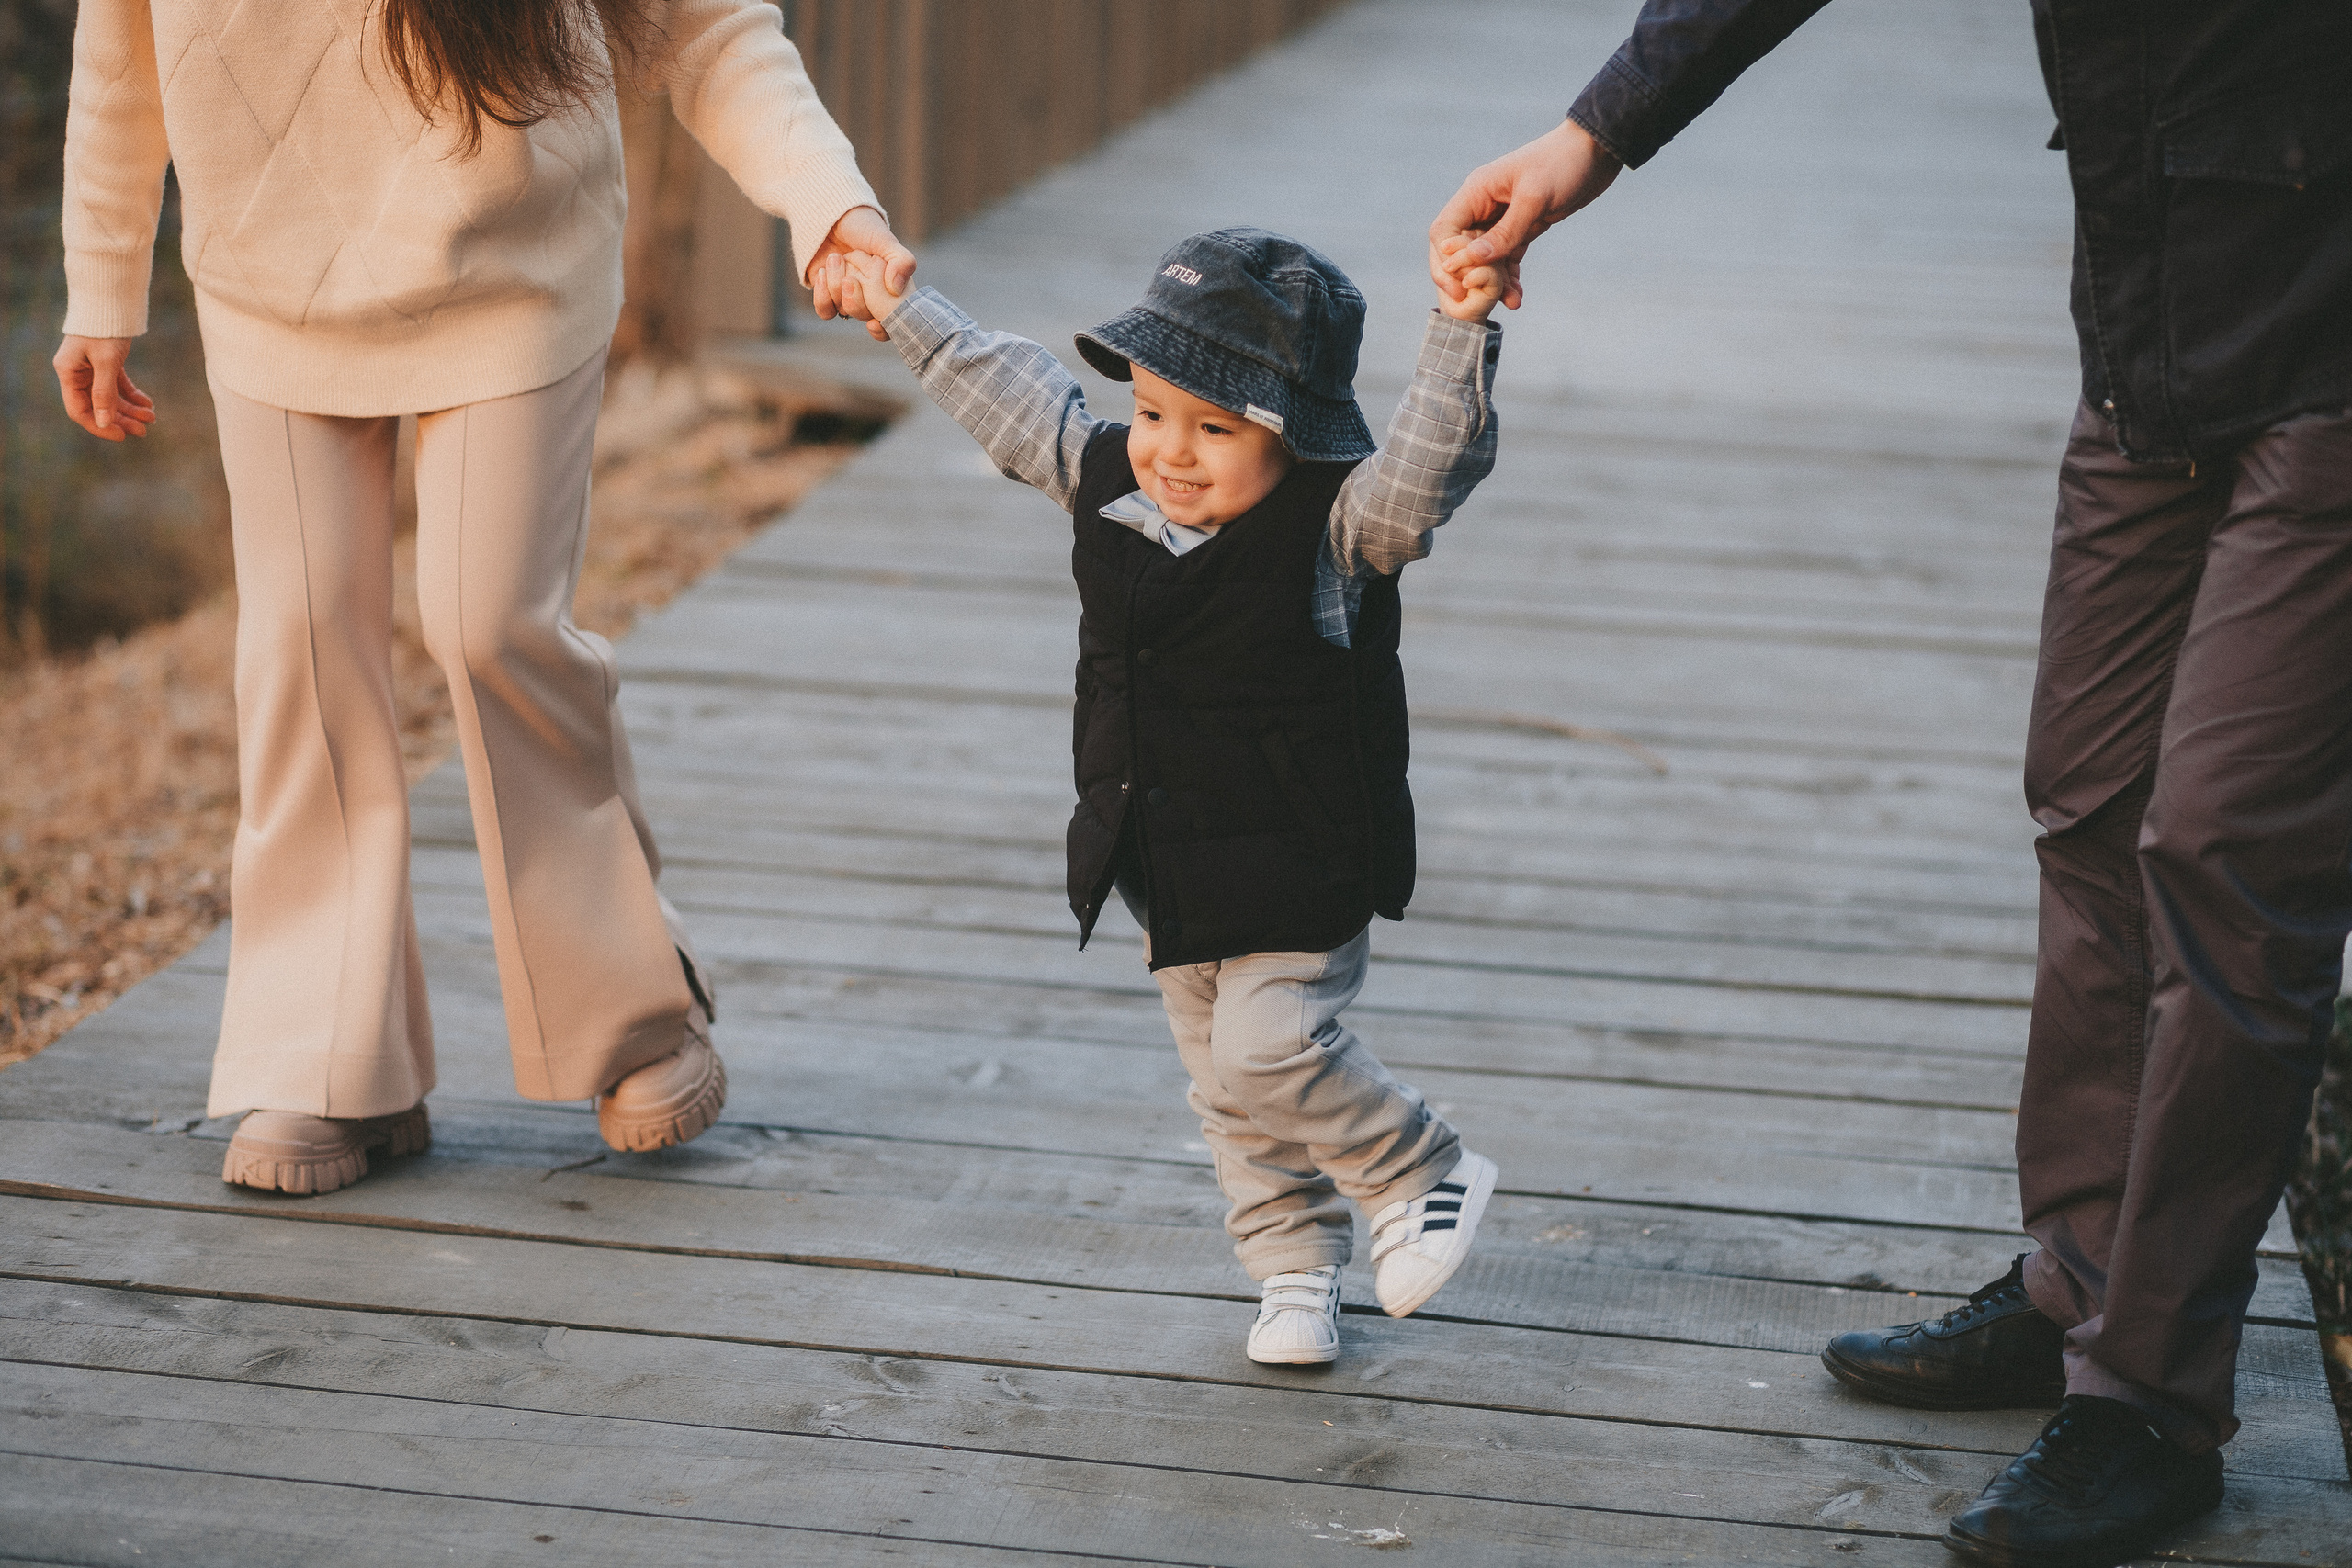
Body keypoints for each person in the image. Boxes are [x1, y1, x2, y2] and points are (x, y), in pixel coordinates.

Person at [1428, 4, 2352, 1565]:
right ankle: (2080, 1280)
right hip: (2147, 332)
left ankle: (2150, 1393)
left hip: (2330, 352)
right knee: (2089, 801)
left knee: (2225, 855)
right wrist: (1595, 133)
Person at [52, 0, 913, 1196]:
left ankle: (631, 1007)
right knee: (303, 648)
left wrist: (830, 203)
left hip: (517, 263)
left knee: (490, 623)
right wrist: (101, 289)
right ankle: (327, 1054)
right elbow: (121, 56)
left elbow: (708, 27)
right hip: (267, 278)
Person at [834, 229, 1507, 1364]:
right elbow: (1009, 396)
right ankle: (1292, 1271)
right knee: (1227, 1094)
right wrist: (904, 309)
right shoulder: (1104, 478)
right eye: (1151, 412)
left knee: (1265, 1049)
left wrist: (1461, 328)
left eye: (1216, 428)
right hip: (1165, 861)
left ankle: (1418, 1168)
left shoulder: (1337, 530)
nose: (1170, 452)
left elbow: (1428, 468)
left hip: (1300, 862)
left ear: (1295, 437)